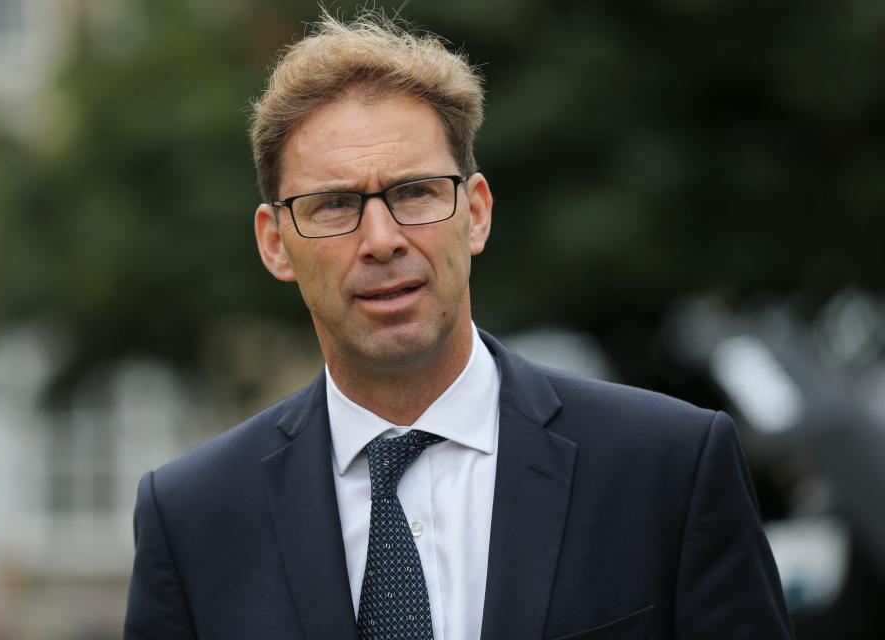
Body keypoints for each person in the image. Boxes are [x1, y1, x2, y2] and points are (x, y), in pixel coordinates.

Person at [124, 12, 794, 640]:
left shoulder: (667, 469)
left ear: (475, 213)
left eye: (414, 192)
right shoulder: (192, 519)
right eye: (333, 205)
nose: (382, 239)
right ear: (275, 243)